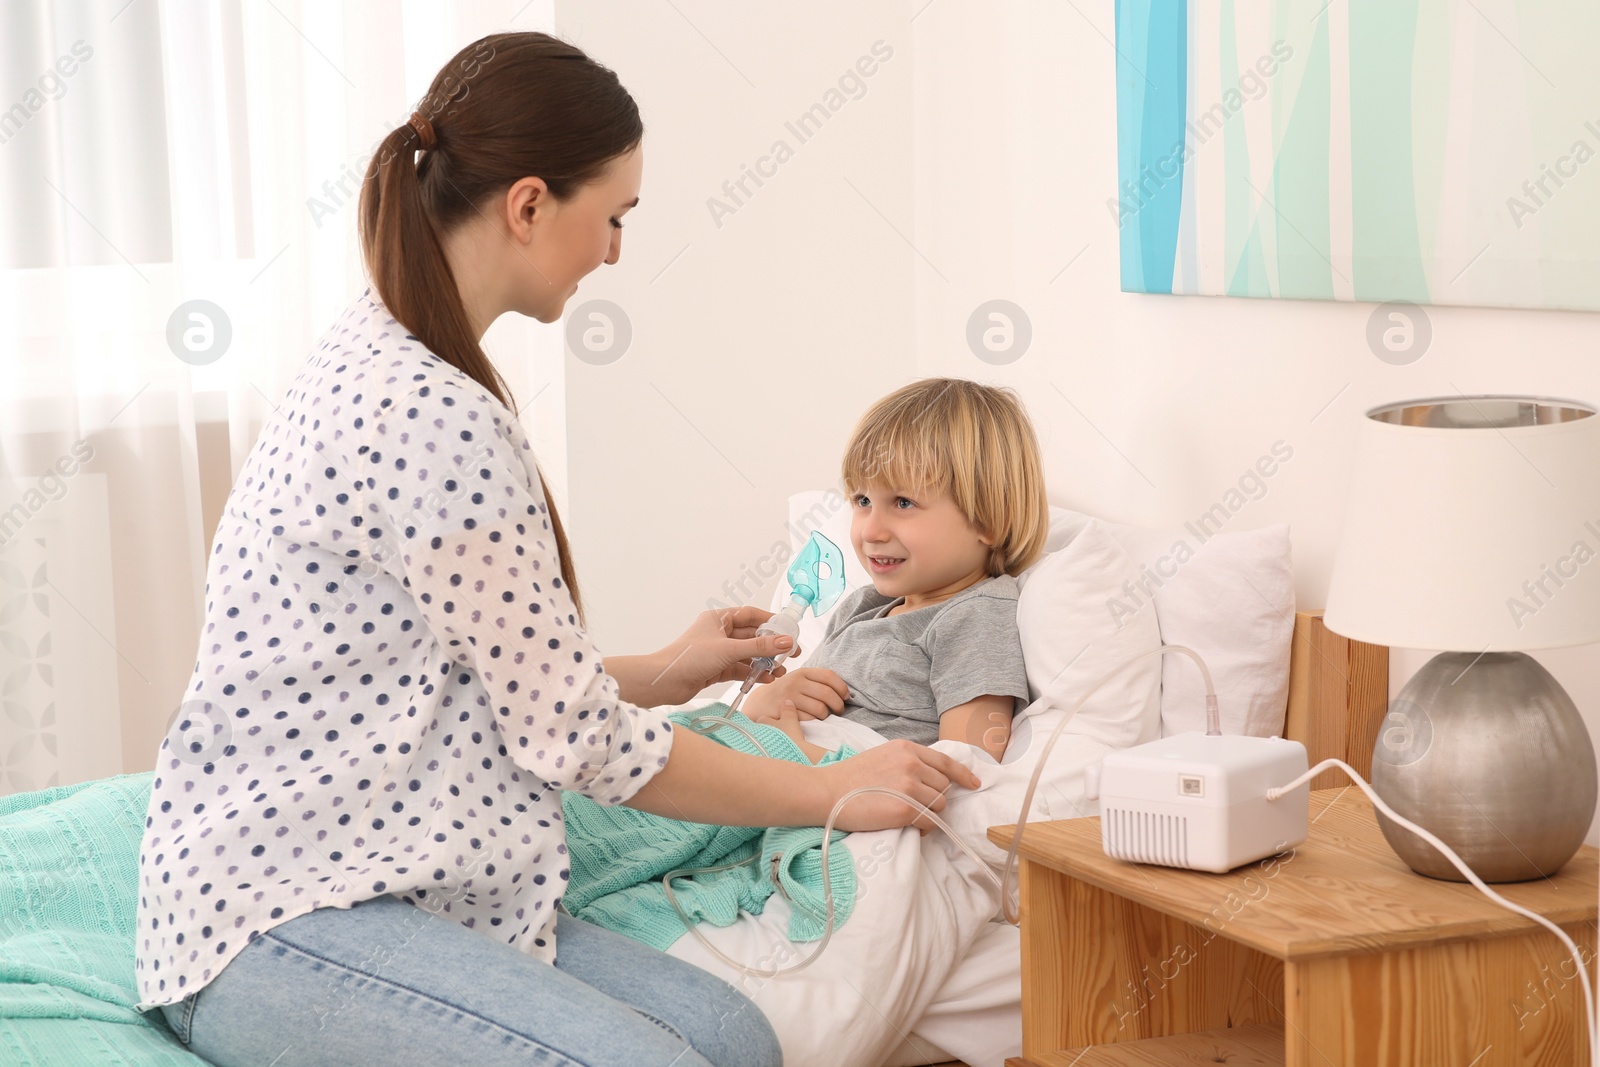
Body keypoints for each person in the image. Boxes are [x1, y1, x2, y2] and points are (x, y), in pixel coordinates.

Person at [131, 31, 976, 1067]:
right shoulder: (433, 413)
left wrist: (669, 670)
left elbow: (451, 669)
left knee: (732, 1036)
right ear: (529, 204)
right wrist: (837, 789)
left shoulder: (389, 347)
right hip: (284, 913)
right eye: (612, 217)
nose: (616, 249)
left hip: (389, 878)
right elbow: (581, 741)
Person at [742, 379, 1049, 764]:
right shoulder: (863, 605)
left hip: (821, 801)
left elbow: (966, 771)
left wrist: (799, 757)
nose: (871, 530)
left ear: (989, 518)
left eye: (903, 502)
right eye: (863, 500)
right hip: (755, 773)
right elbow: (797, 701)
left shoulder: (976, 618)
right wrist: (762, 703)